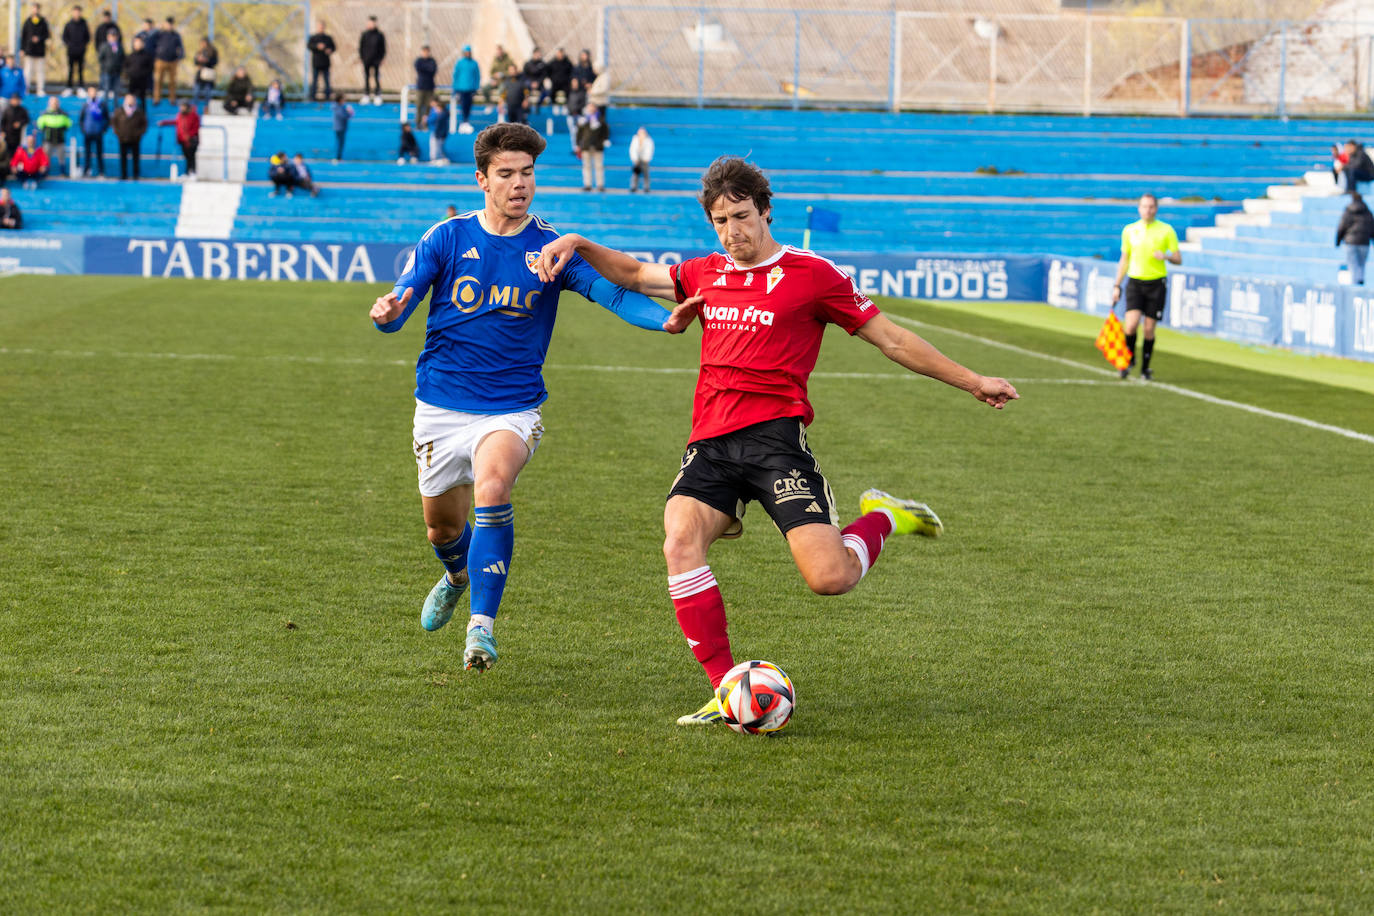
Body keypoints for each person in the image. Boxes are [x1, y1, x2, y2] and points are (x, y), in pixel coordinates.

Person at [534, 156, 1019, 724]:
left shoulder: (814, 276)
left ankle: (884, 516)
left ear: (765, 211)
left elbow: (891, 339)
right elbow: (637, 275)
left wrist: (973, 381)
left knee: (830, 578)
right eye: (719, 221)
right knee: (679, 543)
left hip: (776, 445)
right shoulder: (705, 271)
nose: (731, 232)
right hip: (710, 446)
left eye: (741, 217)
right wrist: (579, 243)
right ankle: (725, 691)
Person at [367, 122, 690, 673]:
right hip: (440, 407)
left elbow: (613, 293)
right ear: (482, 180)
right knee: (442, 529)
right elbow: (404, 296)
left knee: (493, 486)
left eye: (528, 173)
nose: (520, 184)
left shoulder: (549, 246)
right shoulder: (446, 237)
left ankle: (481, 630)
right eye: (507, 174)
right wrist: (391, 311)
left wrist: (663, 323)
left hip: (511, 408)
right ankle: (455, 573)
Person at [1110, 192, 1180, 381]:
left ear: (1156, 208)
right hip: (1135, 282)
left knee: (1149, 329)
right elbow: (1124, 259)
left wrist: (1165, 256)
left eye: (1151, 207)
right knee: (1131, 325)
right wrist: (1117, 285)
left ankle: (1145, 368)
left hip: (1156, 283)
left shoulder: (1166, 231)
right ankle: (1128, 360)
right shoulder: (1130, 230)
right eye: (1144, 206)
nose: (1147, 210)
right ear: (1139, 208)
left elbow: (1178, 258)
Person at [1336, 191, 1374, 286]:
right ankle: (1360, 281)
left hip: (1351, 242)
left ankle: (1355, 284)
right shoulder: (1368, 212)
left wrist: (1338, 241)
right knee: (1361, 265)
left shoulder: (1348, 211)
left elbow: (1342, 227)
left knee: (1353, 265)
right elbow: (1372, 228)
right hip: (1364, 243)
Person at [111, 91, 146, 179]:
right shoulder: (119, 111)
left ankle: (136, 175)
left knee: (136, 158)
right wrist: (119, 133)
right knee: (123, 158)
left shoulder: (139, 112)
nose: (130, 101)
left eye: (132, 99)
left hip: (135, 139)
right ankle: (123, 175)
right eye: (128, 99)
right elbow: (114, 123)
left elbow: (144, 124)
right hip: (123, 138)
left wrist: (138, 134)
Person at [576, 102, 608, 192]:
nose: (591, 109)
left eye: (592, 107)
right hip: (586, 146)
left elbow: (605, 132)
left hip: (597, 147)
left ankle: (600, 185)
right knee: (586, 166)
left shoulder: (600, 120)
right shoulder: (583, 120)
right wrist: (578, 144)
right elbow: (579, 134)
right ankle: (587, 184)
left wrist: (603, 141)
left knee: (599, 166)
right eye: (589, 108)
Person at [21, 4, 51, 96]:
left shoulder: (43, 22)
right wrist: (22, 49)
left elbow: (47, 35)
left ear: (39, 10)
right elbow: (23, 36)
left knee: (40, 71)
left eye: (36, 9)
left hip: (40, 51)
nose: (35, 11)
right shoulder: (27, 21)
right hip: (29, 50)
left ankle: (40, 89)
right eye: (33, 8)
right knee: (28, 71)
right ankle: (26, 89)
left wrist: (39, 38)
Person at [151, 16, 183, 105]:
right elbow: (150, 39)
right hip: (160, 60)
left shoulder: (176, 35)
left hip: (172, 61)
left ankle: (172, 99)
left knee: (172, 82)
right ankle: (156, 99)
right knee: (158, 81)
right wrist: (157, 29)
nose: (169, 26)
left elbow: (180, 47)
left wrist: (179, 57)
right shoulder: (160, 34)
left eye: (171, 24)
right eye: (168, 24)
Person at [35, 95, 71, 172]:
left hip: (60, 139)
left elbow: (68, 123)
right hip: (48, 139)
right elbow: (40, 124)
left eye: (56, 102)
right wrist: (46, 128)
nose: (54, 104)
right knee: (46, 157)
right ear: (49, 103)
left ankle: (63, 171)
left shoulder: (63, 113)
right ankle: (45, 172)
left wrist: (62, 127)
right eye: (52, 103)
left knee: (61, 156)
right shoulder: (45, 113)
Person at [79, 89, 109, 176]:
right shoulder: (85, 105)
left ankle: (101, 171)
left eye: (94, 92)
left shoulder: (102, 104)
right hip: (88, 133)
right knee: (87, 153)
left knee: (99, 153)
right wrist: (84, 130)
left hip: (98, 133)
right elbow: (81, 119)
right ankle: (86, 170)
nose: (93, 94)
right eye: (91, 92)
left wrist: (103, 129)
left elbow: (106, 118)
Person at [62, 6, 91, 93]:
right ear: (72, 13)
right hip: (71, 51)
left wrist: (83, 46)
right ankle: (69, 87)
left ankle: (81, 87)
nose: (76, 14)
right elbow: (64, 37)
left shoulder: (84, 24)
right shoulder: (68, 24)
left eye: (78, 12)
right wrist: (69, 45)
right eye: (75, 12)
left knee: (80, 70)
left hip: (81, 51)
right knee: (70, 69)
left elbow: (88, 37)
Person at [451, 45, 480, 134]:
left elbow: (477, 76)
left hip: (470, 89)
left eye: (469, 52)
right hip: (461, 88)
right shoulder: (459, 63)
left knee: (468, 106)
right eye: (466, 52)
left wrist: (476, 87)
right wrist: (455, 88)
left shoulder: (474, 63)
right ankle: (463, 122)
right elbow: (455, 76)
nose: (467, 54)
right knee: (462, 106)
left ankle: (466, 121)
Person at [359, 16, 386, 105]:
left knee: (376, 77)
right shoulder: (364, 34)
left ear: (375, 23)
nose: (371, 25)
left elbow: (383, 48)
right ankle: (366, 95)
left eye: (372, 23)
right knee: (366, 77)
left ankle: (377, 95)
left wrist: (382, 58)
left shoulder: (380, 35)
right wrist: (361, 58)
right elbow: (361, 47)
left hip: (376, 60)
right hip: (366, 59)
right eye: (369, 23)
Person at [307, 21, 335, 101]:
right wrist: (317, 46)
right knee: (315, 80)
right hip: (316, 63)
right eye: (319, 26)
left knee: (327, 80)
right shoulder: (313, 37)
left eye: (322, 26)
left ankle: (327, 96)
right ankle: (313, 97)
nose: (321, 28)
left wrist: (330, 50)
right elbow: (309, 45)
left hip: (325, 62)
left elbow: (333, 47)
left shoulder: (328, 38)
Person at [123, 36, 154, 106]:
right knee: (130, 99)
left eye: (139, 42)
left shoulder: (147, 56)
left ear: (143, 44)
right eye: (136, 42)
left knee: (142, 100)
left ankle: (142, 115)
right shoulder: (130, 56)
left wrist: (143, 74)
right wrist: (129, 73)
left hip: (143, 81)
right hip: (132, 81)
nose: (138, 44)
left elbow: (150, 68)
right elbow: (125, 67)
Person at [413, 45, 437, 129]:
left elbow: (433, 70)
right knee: (419, 105)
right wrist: (427, 69)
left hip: (430, 87)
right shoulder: (418, 61)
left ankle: (425, 123)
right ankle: (418, 123)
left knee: (428, 107)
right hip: (421, 87)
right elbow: (420, 69)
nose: (425, 53)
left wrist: (426, 69)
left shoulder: (432, 61)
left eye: (427, 51)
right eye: (424, 51)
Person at [174, 99, 198, 178]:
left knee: (191, 156)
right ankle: (187, 172)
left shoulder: (193, 115)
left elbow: (196, 127)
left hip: (192, 139)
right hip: (183, 140)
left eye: (183, 106)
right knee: (187, 156)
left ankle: (193, 172)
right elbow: (176, 122)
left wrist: (189, 135)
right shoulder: (180, 115)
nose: (181, 108)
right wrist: (164, 122)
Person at [521, 47, 549, 115]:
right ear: (533, 54)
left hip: (539, 83)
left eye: (539, 54)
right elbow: (524, 75)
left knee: (546, 92)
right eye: (537, 54)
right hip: (529, 83)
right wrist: (531, 83)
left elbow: (544, 75)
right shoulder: (527, 64)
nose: (538, 55)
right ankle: (526, 106)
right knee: (524, 91)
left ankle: (538, 105)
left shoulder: (543, 64)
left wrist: (538, 83)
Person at [97, 29, 124, 97]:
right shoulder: (104, 46)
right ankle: (105, 106)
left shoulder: (119, 46)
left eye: (114, 36)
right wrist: (105, 67)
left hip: (117, 72)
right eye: (111, 36)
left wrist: (120, 67)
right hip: (107, 72)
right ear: (108, 37)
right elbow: (100, 58)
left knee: (116, 90)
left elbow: (122, 58)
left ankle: (116, 107)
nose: (113, 38)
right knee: (106, 90)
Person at [192, 37, 217, 106]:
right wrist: (198, 60)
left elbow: (215, 62)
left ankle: (207, 107)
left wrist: (207, 60)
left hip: (208, 75)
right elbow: (195, 62)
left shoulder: (213, 51)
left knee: (207, 92)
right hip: (199, 74)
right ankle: (194, 107)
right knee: (196, 91)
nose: (203, 44)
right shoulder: (199, 51)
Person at [564, 77, 586, 154]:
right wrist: (570, 110)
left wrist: (576, 110)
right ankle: (575, 148)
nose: (574, 84)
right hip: (570, 115)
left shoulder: (582, 93)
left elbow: (583, 104)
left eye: (575, 82)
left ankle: (581, 148)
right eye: (573, 83)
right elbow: (568, 103)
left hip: (579, 115)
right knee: (573, 132)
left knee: (579, 132)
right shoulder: (569, 92)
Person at [547, 48, 572, 113]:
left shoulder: (567, 63)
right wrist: (552, 79)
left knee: (567, 93)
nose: (560, 55)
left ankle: (565, 108)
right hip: (555, 83)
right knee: (552, 93)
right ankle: (554, 106)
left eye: (561, 53)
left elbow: (570, 73)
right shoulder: (552, 63)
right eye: (559, 53)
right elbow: (548, 72)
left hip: (565, 84)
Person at [629, 126, 653, 192]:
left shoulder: (648, 140)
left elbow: (650, 150)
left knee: (646, 174)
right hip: (637, 160)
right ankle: (634, 186)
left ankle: (646, 187)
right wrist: (635, 158)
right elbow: (632, 149)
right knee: (635, 174)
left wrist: (646, 158)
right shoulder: (635, 139)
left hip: (645, 160)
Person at [331, 92, 353, 162]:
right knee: (339, 143)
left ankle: (339, 157)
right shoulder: (338, 107)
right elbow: (344, 116)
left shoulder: (339, 107)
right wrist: (349, 112)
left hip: (340, 127)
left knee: (340, 143)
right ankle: (337, 157)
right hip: (339, 128)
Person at [427, 97, 448, 165]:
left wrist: (438, 134)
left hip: (438, 134)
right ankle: (439, 158)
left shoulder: (441, 116)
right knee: (438, 146)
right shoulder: (442, 115)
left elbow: (440, 126)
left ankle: (438, 159)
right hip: (439, 133)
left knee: (437, 146)